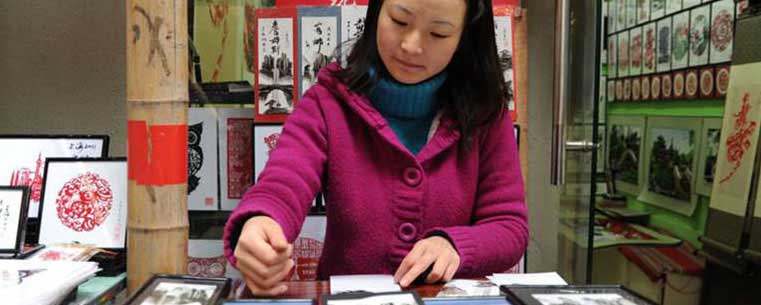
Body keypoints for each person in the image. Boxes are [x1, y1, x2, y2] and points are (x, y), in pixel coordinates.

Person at [223, 0, 528, 296]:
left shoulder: (485, 114)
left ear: (465, 38)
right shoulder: (327, 103)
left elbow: (508, 226)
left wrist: (455, 246)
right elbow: (284, 182)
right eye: (398, 20)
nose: (410, 45)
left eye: (439, 33)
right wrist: (261, 222)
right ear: (376, 13)